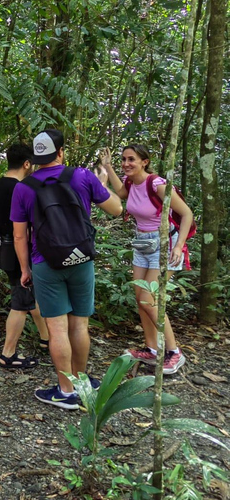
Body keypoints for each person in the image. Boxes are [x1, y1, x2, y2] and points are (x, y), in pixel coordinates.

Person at [11, 130, 122, 410]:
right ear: (60, 151)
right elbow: (116, 209)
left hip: (46, 263)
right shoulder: (82, 176)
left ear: (34, 158)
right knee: (80, 324)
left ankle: (66, 391)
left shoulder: (23, 188)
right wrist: (102, 183)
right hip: (81, 258)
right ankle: (82, 383)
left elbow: (20, 236)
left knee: (57, 328)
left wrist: (25, 269)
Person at [98, 145, 192, 374]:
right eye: (123, 159)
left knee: (150, 298)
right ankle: (151, 349)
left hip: (164, 244)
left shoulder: (157, 184)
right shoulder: (131, 183)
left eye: (132, 159)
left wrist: (179, 246)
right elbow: (119, 195)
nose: (127, 163)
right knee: (140, 297)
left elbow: (187, 213)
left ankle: (174, 352)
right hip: (142, 244)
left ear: (145, 162)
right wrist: (107, 169)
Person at [0, 143, 49, 369]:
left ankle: (46, 338)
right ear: (26, 163)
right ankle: (8, 354)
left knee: (29, 293)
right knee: (21, 302)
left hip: (3, 249)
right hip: (19, 251)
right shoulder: (21, 188)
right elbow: (27, 225)